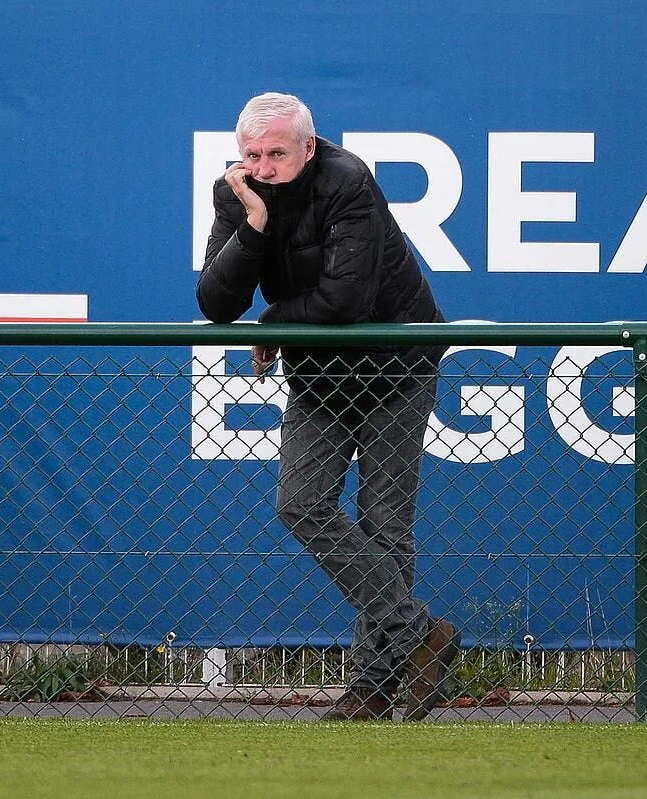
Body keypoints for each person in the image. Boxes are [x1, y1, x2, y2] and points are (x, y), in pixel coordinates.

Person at [196, 92, 459, 721]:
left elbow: (344, 301)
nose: (263, 167)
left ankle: (372, 688)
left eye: (277, 154)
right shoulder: (236, 195)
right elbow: (214, 302)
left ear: (308, 148)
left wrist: (273, 323)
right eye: (252, 155)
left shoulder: (349, 183)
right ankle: (422, 635)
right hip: (319, 373)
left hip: (397, 363)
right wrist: (254, 225)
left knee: (383, 523)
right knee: (300, 503)